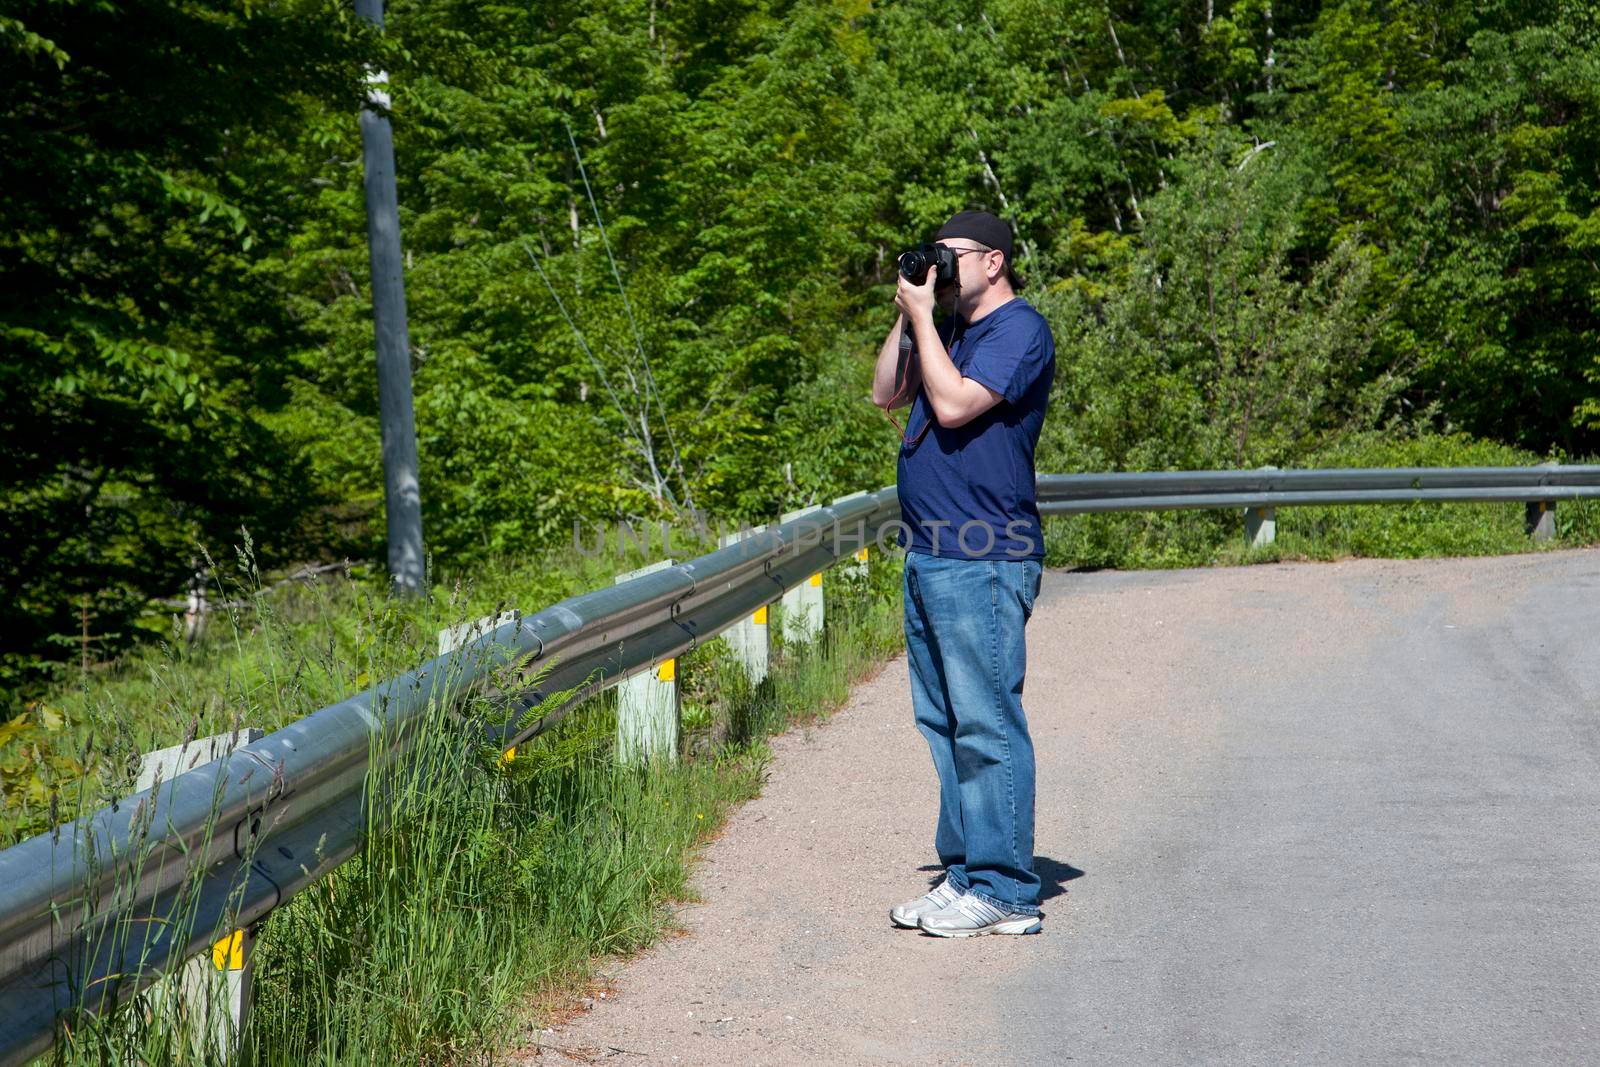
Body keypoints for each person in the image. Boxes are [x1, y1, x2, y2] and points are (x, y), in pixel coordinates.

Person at [869, 209, 1055, 937]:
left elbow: (949, 407)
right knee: (944, 725)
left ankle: (1008, 888)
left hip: (985, 555)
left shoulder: (1020, 331)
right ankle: (968, 873)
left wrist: (925, 315)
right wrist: (910, 309)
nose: (942, 267)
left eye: (952, 256)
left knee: (986, 724)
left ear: (994, 262)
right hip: (931, 552)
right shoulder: (947, 330)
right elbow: (887, 393)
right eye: (934, 256)